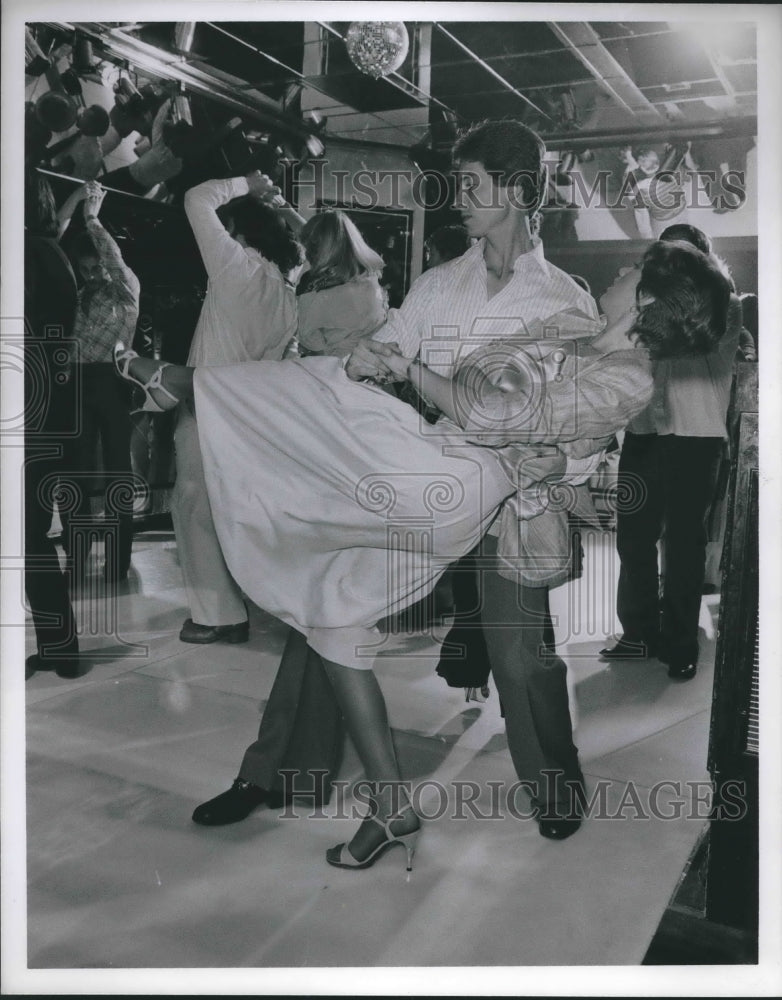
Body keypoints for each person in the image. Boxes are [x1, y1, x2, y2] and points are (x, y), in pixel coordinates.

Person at [171, 170, 303, 645]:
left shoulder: (234, 268)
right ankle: (244, 602)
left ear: (239, 233)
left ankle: (218, 617)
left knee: (192, 507)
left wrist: (246, 183)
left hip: (205, 406)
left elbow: (196, 197)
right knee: (229, 510)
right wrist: (283, 207)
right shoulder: (287, 295)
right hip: (249, 417)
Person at [600, 224, 735, 680]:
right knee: (633, 540)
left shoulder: (724, 305)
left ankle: (680, 644)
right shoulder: (649, 304)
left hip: (696, 438)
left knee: (682, 547)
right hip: (644, 432)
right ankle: (637, 633)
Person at [60, 181, 140, 584]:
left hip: (110, 382)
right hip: (77, 384)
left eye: (96, 267)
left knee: (117, 475)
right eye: (85, 268)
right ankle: (76, 558)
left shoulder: (125, 289)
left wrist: (91, 217)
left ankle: (118, 563)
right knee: (73, 474)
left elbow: (112, 255)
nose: (92, 274)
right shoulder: (77, 295)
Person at [23, 171, 82, 679]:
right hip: (51, 412)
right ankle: (60, 647)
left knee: (28, 536)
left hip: (25, 415)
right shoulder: (53, 256)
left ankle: (59, 647)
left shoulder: (24, 257)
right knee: (35, 535)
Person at [295, 209, 387, 358]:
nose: (307, 255)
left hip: (335, 372)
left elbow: (310, 344)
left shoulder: (322, 292)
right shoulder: (367, 280)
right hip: (363, 367)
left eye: (311, 248)